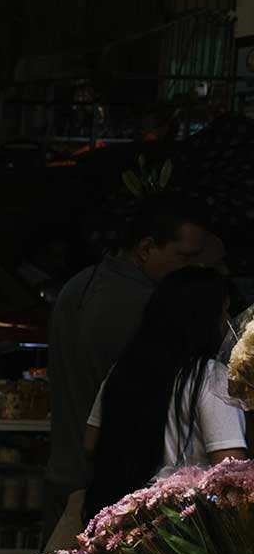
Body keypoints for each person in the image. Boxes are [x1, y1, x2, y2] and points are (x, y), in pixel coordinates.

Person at [45, 192, 211, 528]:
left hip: (67, 474)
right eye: (184, 258)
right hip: (104, 493)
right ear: (146, 248)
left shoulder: (79, 286)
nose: (193, 271)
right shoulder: (145, 309)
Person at [83, 266, 249, 517]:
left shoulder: (124, 370)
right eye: (224, 310)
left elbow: (90, 442)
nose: (228, 320)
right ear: (203, 319)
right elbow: (230, 468)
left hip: (122, 519)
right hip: (184, 527)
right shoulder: (210, 376)